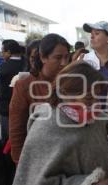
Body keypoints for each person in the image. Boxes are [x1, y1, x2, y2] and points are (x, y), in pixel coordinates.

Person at [8, 62, 108, 185]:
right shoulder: (47, 126)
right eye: (88, 98)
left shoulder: (96, 117)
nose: (94, 103)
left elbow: (98, 147)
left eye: (97, 95)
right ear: (64, 92)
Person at [9, 33, 70, 164]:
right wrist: (21, 164)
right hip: (38, 159)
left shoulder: (73, 83)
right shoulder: (24, 86)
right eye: (58, 58)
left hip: (68, 157)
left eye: (67, 57)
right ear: (43, 57)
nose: (64, 63)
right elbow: (16, 131)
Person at [0, 39, 25, 145]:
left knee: (8, 139)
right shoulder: (28, 65)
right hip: (26, 109)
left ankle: (9, 160)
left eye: (3, 51)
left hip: (6, 109)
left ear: (9, 52)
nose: (2, 54)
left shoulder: (1, 68)